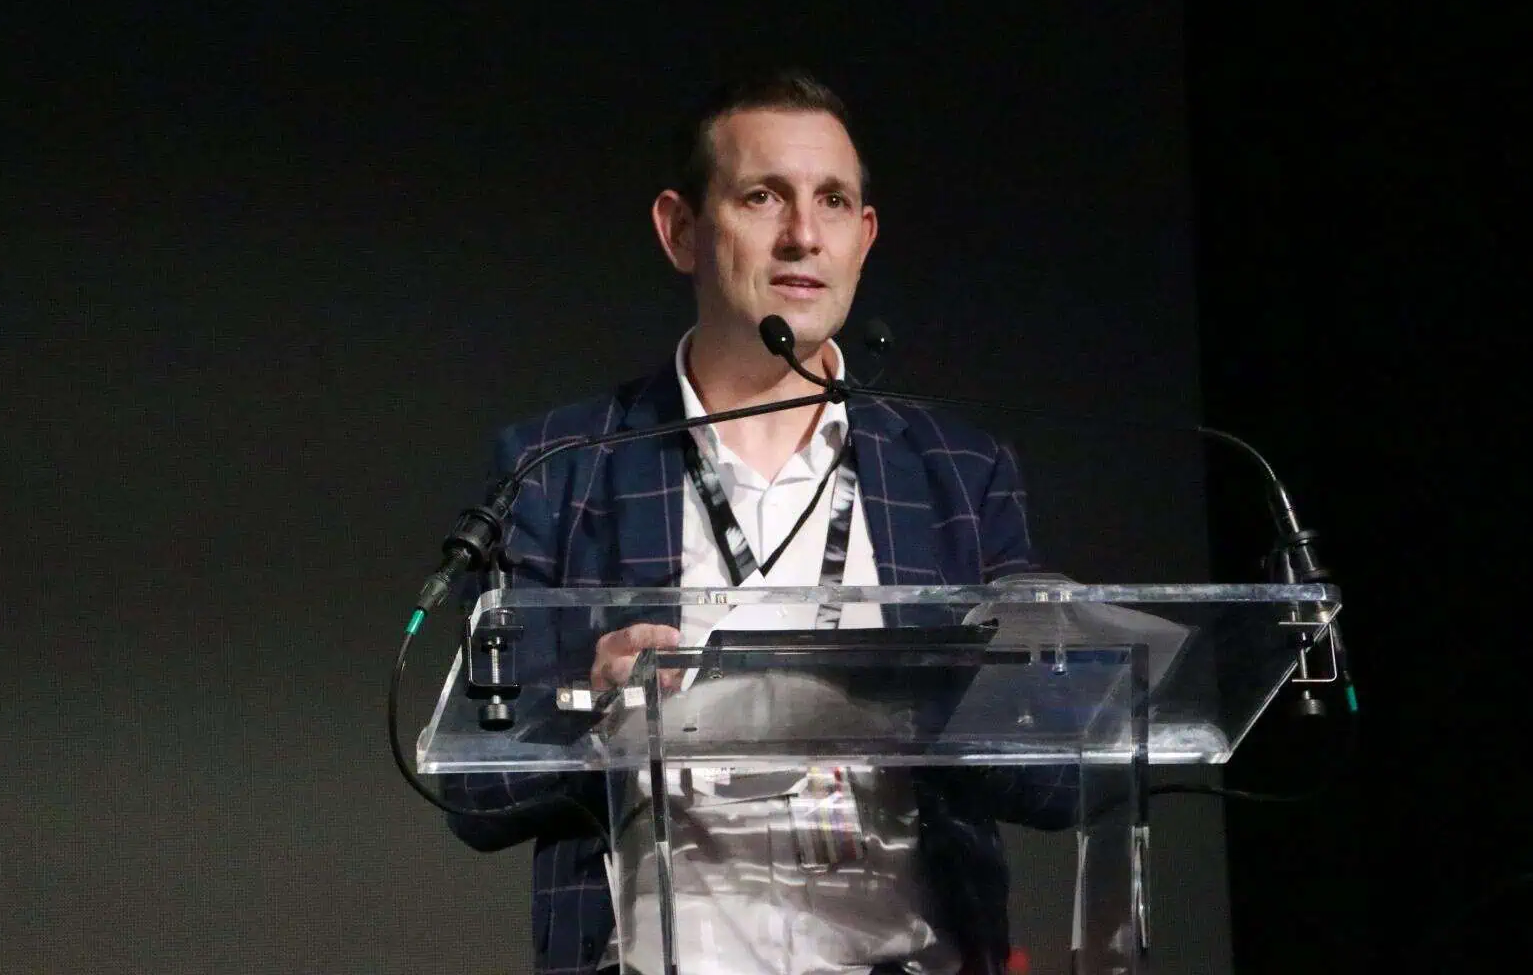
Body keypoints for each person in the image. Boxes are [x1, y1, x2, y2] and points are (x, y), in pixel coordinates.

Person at [442, 71, 1076, 975]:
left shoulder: (959, 474)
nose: (802, 235)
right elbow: (478, 788)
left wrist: (982, 684)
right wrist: (595, 711)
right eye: (762, 196)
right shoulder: (558, 467)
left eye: (832, 201)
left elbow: (1056, 782)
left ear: (864, 237)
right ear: (681, 231)